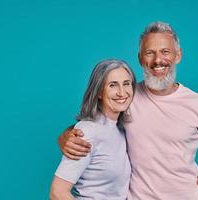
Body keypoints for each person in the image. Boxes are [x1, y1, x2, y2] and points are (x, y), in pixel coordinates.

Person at [58, 22, 198, 199]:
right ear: (140, 58)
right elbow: (96, 125)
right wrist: (66, 136)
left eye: (165, 51)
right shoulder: (127, 98)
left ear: (178, 55)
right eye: (150, 53)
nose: (158, 60)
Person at [50, 59, 137, 199]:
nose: (122, 92)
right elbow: (57, 192)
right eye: (113, 85)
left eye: (126, 84)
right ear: (99, 92)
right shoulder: (86, 132)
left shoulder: (121, 129)